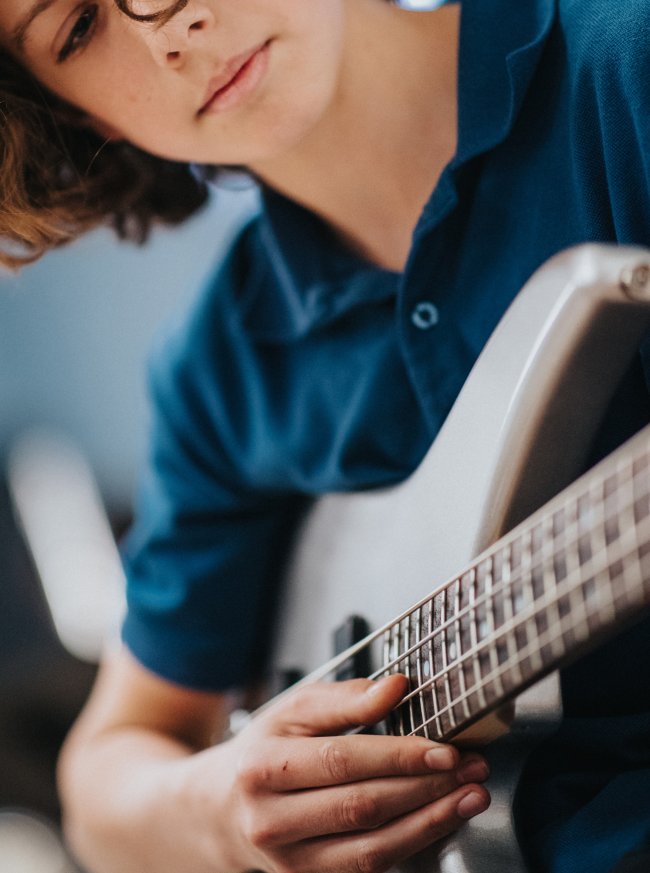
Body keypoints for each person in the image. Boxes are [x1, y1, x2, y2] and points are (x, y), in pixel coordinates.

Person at [1, 0, 650, 871]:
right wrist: (223, 808)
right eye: (78, 28)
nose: (166, 27)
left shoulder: (625, 67)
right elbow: (103, 784)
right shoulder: (222, 365)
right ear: (78, 115)